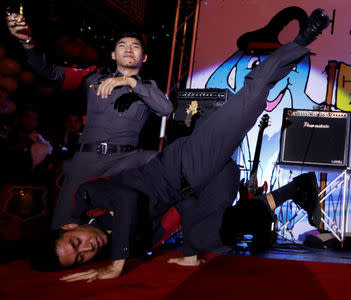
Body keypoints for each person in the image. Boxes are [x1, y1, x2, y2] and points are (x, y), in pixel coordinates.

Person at [29, 8, 331, 282]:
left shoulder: (88, 199)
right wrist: (190, 249)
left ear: (69, 227)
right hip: (201, 187)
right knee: (216, 237)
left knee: (250, 97)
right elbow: (170, 219)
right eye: (82, 257)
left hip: (187, 161)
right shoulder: (130, 245)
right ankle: (295, 189)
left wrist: (117, 264)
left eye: (75, 243)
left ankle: (301, 39)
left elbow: (126, 200)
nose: (87, 248)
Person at [6, 14, 174, 229]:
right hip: (88, 159)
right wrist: (27, 42)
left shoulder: (148, 88)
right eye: (122, 45)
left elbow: (166, 109)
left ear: (144, 57)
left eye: (135, 46)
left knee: (159, 161)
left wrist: (130, 81)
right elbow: (49, 72)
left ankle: (151, 232)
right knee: (63, 227)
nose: (129, 49)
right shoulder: (93, 78)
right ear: (114, 55)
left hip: (125, 160)